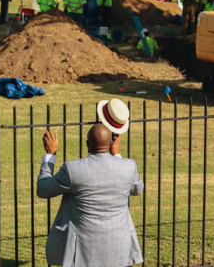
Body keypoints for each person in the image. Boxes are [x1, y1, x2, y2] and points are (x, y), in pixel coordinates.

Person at [37, 98, 143, 267]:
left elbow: (43, 189)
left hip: (84, 252)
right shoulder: (128, 166)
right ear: (111, 142)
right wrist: (117, 155)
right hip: (120, 247)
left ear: (87, 144)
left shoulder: (73, 170)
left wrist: (50, 155)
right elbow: (138, 189)